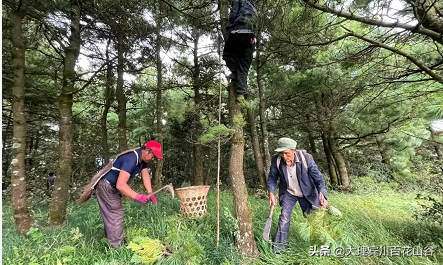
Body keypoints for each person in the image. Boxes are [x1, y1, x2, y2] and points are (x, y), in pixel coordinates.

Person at [95, 140, 163, 248]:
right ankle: (117, 247)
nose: (153, 159)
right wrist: (137, 196)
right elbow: (121, 185)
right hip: (106, 187)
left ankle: (110, 237)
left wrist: (150, 192)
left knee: (112, 213)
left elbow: (145, 176)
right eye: (153, 156)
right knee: (115, 213)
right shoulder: (131, 159)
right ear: (146, 151)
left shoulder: (142, 161)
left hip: (111, 187)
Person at [267, 137, 328, 253]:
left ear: (294, 150)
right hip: (289, 193)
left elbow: (319, 179)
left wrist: (322, 193)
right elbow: (272, 177)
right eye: (281, 153)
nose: (284, 156)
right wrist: (271, 192)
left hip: (307, 193)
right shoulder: (276, 160)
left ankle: (319, 247)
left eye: (287, 153)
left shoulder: (306, 158)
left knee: (313, 218)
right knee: (284, 218)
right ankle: (279, 249)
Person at [223, 0, 257, 102]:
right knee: (244, 65)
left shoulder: (239, 2)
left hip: (236, 33)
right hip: (249, 39)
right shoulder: (254, 9)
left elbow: (232, 16)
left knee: (227, 55)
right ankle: (241, 92)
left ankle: (235, 73)